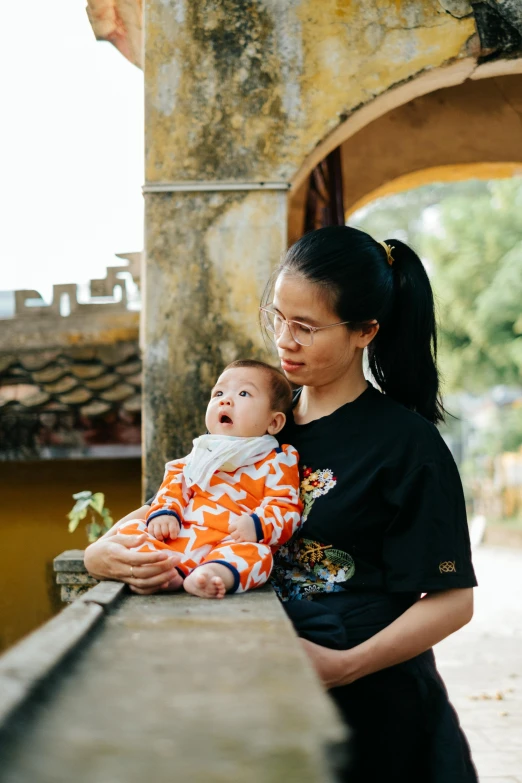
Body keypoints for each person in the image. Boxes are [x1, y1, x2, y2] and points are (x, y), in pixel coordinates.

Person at [84, 226, 478, 782]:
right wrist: (99, 554)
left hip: (378, 711)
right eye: (278, 318)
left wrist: (344, 668)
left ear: (365, 331)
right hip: (262, 697)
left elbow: (453, 601)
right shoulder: (256, 422)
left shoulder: (405, 445)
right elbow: (167, 508)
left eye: (306, 327)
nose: (284, 341)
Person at [116, 360, 302, 599]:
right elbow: (175, 484)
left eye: (244, 393)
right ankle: (166, 570)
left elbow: (286, 507)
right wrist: (165, 512)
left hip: (231, 541)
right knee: (132, 529)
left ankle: (210, 575)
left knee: (258, 556)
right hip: (182, 535)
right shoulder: (201, 452)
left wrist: (257, 525)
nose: (225, 400)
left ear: (273, 422)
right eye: (219, 393)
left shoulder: (276, 459)